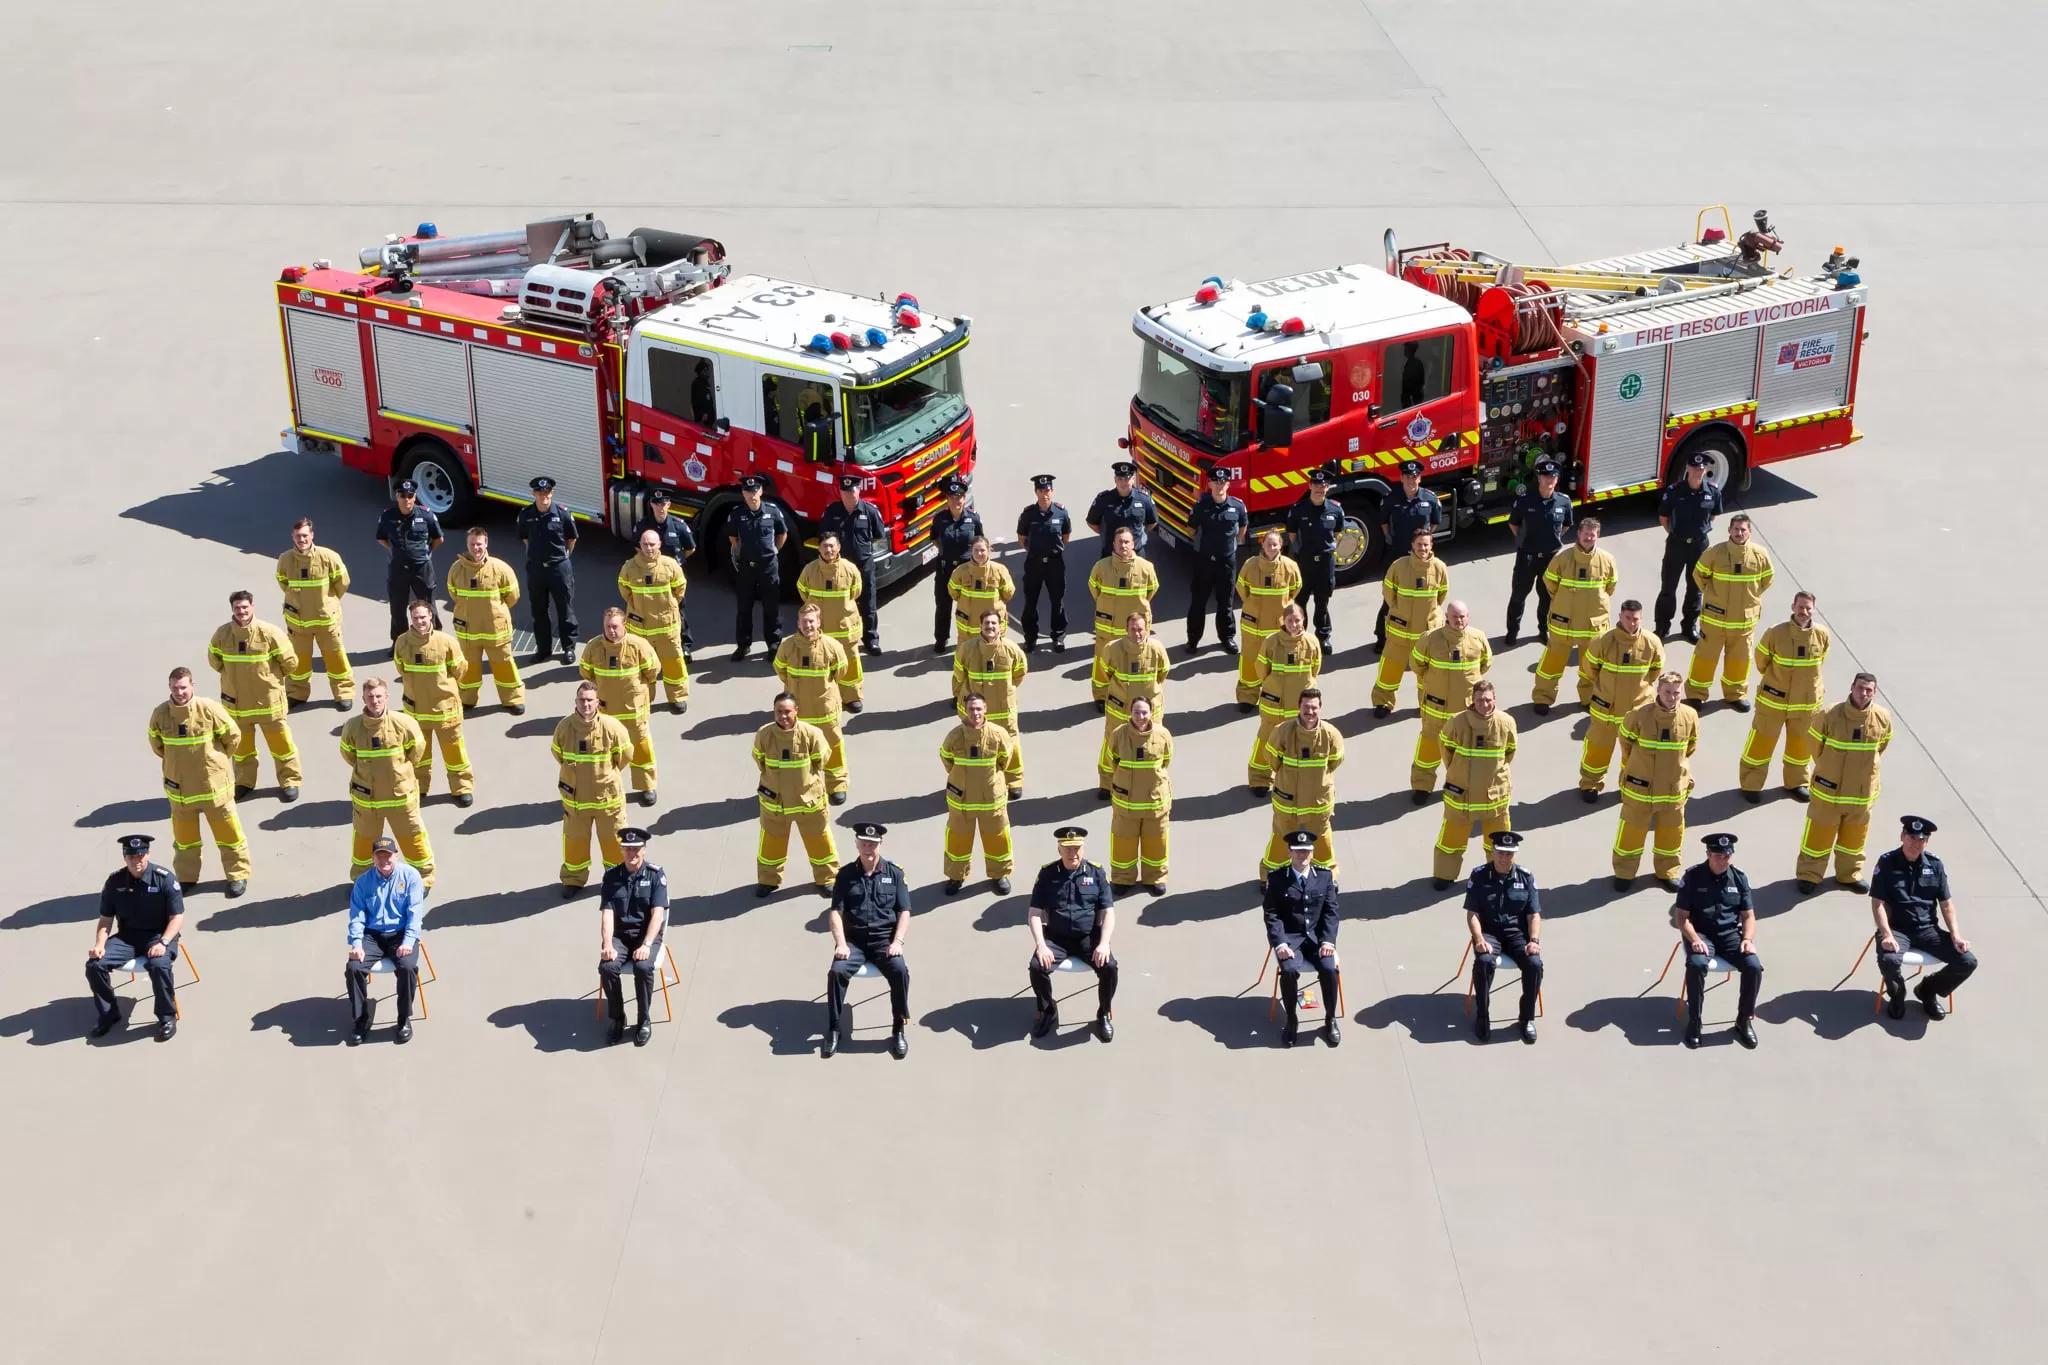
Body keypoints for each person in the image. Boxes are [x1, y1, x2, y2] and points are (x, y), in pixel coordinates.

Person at [148, 667, 249, 896]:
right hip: (181, 791)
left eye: (183, 687)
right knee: (185, 841)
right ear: (169, 688)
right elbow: (157, 745)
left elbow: (233, 737)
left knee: (229, 835)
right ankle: (186, 877)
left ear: (193, 685)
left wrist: (217, 762)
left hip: (214, 788)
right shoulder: (160, 714)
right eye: (175, 687)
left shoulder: (210, 709)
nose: (179, 692)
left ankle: (238, 875)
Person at [1870, 815, 1976, 1019]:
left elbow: (1946, 904)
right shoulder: (1887, 862)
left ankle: (1927, 990)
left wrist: (1956, 935)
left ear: (1926, 842)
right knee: (1890, 960)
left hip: (1928, 930)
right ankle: (1898, 995)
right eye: (1911, 837)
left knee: (1967, 961)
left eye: (1921, 840)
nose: (1915, 844)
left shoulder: (1935, 865)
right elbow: (1878, 903)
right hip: (1897, 929)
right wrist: (1886, 934)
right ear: (1902, 836)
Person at [1797, 671, 1892, 895]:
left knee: (1854, 840)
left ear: (1875, 692)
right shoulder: (1830, 714)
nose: (1864, 693)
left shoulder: (1882, 718)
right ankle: (1809, 875)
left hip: (1861, 796)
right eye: (1860, 687)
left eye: (1869, 690)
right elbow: (1813, 743)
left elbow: (1882, 746)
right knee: (1817, 837)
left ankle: (1849, 875)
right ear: (1852, 687)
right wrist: (1828, 768)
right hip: (1828, 793)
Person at [824, 822, 912, 1059]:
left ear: (880, 844)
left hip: (884, 942)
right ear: (856, 844)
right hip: (854, 942)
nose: (868, 848)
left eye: (872, 844)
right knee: (837, 972)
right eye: (863, 843)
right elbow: (835, 912)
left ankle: (899, 1028)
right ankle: (833, 1028)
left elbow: (904, 910)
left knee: (900, 972)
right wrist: (841, 944)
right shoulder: (845, 875)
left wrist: (898, 942)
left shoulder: (895, 873)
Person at [86, 834, 185, 1041]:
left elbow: (177, 917)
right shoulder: (115, 882)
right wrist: (99, 944)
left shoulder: (165, 879)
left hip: (159, 935)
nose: (136, 860)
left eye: (140, 855)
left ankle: (166, 1016)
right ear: (124, 857)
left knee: (159, 965)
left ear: (148, 853)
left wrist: (163, 942)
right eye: (131, 856)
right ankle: (109, 1013)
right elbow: (106, 918)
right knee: (94, 965)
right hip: (128, 937)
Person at [207, 589, 301, 802]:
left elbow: (290, 663)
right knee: (241, 750)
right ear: (232, 609)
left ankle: (290, 781)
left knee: (282, 747)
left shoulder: (270, 633)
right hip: (237, 706)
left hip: (269, 703)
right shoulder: (222, 635)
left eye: (245, 607)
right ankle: (244, 782)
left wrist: (270, 681)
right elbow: (215, 661)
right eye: (237, 608)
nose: (241, 611)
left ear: (252, 607)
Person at [339, 677, 433, 888]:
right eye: (370, 696)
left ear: (387, 697)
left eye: (379, 696)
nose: (375, 701)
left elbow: (416, 751)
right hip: (367, 801)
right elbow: (348, 754)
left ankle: (423, 880)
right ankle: (361, 881)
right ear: (363, 698)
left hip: (400, 797)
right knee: (363, 843)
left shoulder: (404, 723)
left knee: (413, 838)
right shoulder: (352, 727)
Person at [1027, 826, 1118, 1042]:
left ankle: (1104, 1012)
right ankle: (1047, 1011)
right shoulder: (1047, 874)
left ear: (1083, 848)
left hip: (1087, 937)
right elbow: (1034, 913)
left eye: (1077, 848)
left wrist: (1104, 943)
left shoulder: (1096, 873)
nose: (1072, 853)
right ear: (1059, 849)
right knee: (1036, 967)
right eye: (1067, 848)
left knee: (1110, 967)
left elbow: (1108, 912)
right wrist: (1041, 945)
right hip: (1056, 938)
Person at [1741, 590, 1830, 801]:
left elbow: (1821, 660)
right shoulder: (1775, 633)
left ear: (1814, 610)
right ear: (1793, 607)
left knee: (1800, 747)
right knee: (1761, 743)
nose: (1804, 611)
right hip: (1774, 701)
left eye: (1808, 608)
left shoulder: (1822, 634)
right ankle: (1751, 785)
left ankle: (1796, 782)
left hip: (1806, 705)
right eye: (1800, 607)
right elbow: (1761, 659)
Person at [1674, 831, 1761, 1049]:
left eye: (1728, 856)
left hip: (1730, 935)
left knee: (1753, 966)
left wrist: (1748, 939)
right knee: (1696, 964)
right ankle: (1695, 1021)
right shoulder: (1692, 877)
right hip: (1701, 934)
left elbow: (1748, 915)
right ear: (1708, 854)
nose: (1724, 860)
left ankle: (1743, 1021)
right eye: (1719, 856)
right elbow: (1681, 918)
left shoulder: (1739, 878)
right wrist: (1694, 938)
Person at [1612, 670, 1698, 889]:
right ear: (1658, 690)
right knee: (1631, 832)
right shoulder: (1638, 715)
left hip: (1673, 789)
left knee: (1671, 834)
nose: (1672, 697)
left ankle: (1667, 872)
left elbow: (1690, 746)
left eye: (1676, 692)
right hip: (1640, 787)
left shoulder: (1689, 716)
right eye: (1668, 691)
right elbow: (1626, 744)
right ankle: (1624, 872)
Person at [1576, 599, 1664, 799]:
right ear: (1620, 617)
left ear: (1641, 618)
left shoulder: (1652, 643)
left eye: (1635, 619)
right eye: (1627, 618)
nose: (1632, 623)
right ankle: (1590, 784)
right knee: (1597, 749)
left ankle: (1628, 786)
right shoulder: (1602, 641)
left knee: (1633, 755)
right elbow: (1590, 669)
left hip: (1636, 712)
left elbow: (1655, 670)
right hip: (1605, 710)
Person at [752, 691, 838, 897]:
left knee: (819, 841)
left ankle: (827, 877)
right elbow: (759, 760)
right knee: (771, 845)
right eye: (779, 712)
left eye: (787, 711)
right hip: (775, 804)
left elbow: (822, 760)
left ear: (796, 711)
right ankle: (768, 880)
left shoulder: (811, 734)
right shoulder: (764, 734)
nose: (783, 716)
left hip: (808, 803)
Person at [344, 835, 427, 1046]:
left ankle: (403, 1018)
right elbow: (357, 916)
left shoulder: (411, 877)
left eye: (388, 856)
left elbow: (414, 913)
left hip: (400, 934)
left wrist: (408, 942)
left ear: (396, 856)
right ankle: (361, 1018)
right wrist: (356, 944)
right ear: (372, 858)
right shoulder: (363, 883)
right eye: (379, 857)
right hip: (372, 935)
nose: (384, 862)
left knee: (407, 967)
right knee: (354, 967)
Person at [551, 681, 631, 897]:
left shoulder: (612, 728)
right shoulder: (564, 728)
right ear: (575, 701)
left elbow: (624, 757)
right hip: (576, 801)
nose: (585, 704)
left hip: (607, 801)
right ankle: (573, 880)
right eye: (581, 700)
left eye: (589, 700)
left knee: (613, 842)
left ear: (597, 702)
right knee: (574, 843)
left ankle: (617, 879)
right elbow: (558, 754)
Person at [1434, 680, 1517, 888]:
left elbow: (1510, 751)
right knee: (1451, 840)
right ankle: (1444, 875)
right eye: (1480, 700)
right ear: (1472, 700)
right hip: (1462, 796)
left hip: (1495, 796)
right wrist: (1457, 771)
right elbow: (1445, 748)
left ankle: (1499, 874)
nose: (1485, 704)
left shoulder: (1506, 722)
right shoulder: (1457, 722)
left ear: (1494, 700)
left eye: (1488, 700)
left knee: (1498, 842)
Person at [1263, 829, 1341, 1048]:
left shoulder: (1324, 876)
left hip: (1317, 940)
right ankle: (1291, 1020)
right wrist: (1280, 944)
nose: (1302, 855)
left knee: (1328, 969)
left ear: (1313, 852)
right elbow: (1272, 914)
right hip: (1291, 940)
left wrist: (1328, 941)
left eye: (1306, 851)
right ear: (1289, 852)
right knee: (1288, 971)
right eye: (1298, 851)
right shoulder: (1277, 878)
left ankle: (1330, 1019)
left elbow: (1331, 911)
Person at [1532, 517, 1619, 712]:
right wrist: (1563, 601)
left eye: (1592, 534)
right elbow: (1550, 583)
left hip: (1592, 625)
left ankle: (1588, 699)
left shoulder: (1607, 560)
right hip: (1564, 623)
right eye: (1585, 533)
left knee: (1590, 667)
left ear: (1598, 536)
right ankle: (1543, 698)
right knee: (1551, 665)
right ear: (1578, 534)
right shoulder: (1562, 558)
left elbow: (1610, 587)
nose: (1589, 537)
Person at [1686, 513, 1774, 707]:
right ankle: (1696, 694)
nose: (1739, 533)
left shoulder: (1760, 555)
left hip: (1743, 623)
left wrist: (1750, 599)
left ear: (1749, 531)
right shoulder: (1714, 553)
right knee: (1705, 658)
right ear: (1729, 530)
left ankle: (1735, 695)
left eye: (1743, 529)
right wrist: (1713, 596)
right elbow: (1699, 575)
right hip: (1714, 621)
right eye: (1736, 529)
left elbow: (1767, 579)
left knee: (1740, 661)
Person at [1462, 829, 1541, 1044]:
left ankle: (1526, 1019)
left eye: (1509, 854)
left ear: (1515, 855)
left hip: (1517, 935)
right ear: (1492, 852)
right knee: (1485, 962)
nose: (1504, 858)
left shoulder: (1525, 876)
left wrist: (1534, 941)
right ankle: (1482, 1016)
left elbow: (1534, 914)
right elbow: (1473, 914)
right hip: (1490, 933)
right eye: (1501, 852)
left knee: (1534, 964)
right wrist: (1479, 940)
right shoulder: (1478, 875)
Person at [393, 600, 473, 806]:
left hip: (445, 711)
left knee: (455, 753)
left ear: (431, 616)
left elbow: (460, 670)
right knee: (419, 755)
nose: (419, 621)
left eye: (423, 617)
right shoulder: (402, 642)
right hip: (416, 712)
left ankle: (462, 788)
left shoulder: (446, 642)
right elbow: (401, 668)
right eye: (415, 618)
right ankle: (420, 788)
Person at [580, 608, 663, 807]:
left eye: (615, 626)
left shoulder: (638, 646)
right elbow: (586, 673)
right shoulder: (593, 647)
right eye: (608, 626)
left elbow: (653, 670)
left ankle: (647, 786)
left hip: (634, 713)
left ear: (624, 625)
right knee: (604, 753)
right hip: (606, 715)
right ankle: (606, 788)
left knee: (641, 750)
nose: (611, 631)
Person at [774, 603, 856, 804]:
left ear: (819, 622)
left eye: (811, 621)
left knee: (833, 747)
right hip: (798, 713)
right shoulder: (787, 646)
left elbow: (840, 671)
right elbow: (780, 670)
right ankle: (798, 788)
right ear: (798, 623)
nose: (807, 625)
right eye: (804, 621)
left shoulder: (832, 646)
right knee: (797, 751)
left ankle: (836, 784)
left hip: (825, 710)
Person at [939, 692, 1020, 894]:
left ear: (985, 710)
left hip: (991, 801)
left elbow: (1005, 759)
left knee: (997, 838)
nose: (975, 713)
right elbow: (946, 759)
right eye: (971, 709)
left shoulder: (998, 734)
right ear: (965, 710)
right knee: (958, 840)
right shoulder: (954, 736)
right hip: (962, 801)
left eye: (979, 709)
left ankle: (999, 875)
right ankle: (956, 876)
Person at [1260, 688, 1345, 876]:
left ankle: (1328, 877)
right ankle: (1270, 876)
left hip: (1318, 803)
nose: (1310, 712)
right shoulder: (1282, 732)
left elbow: (1335, 760)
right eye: (1306, 707)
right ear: (1298, 707)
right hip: (1287, 801)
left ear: (1320, 708)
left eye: (1314, 708)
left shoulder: (1331, 735)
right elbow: (1271, 757)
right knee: (1281, 839)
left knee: (1322, 841)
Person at [1409, 599, 1490, 797]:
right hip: (1436, 709)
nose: (1459, 620)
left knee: (1464, 752)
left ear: (1468, 617)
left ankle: (1460, 787)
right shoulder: (1430, 639)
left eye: (1462, 616)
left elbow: (1485, 664)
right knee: (1428, 749)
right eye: (1454, 616)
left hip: (1465, 712)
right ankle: (1422, 786)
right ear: (1447, 617)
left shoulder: (1478, 638)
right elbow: (1416, 664)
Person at [598, 827, 669, 1047]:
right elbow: (607, 914)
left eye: (636, 849)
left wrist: (647, 944)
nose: (632, 853)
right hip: (620, 936)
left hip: (646, 936)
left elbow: (658, 914)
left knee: (643, 967)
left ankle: (644, 1020)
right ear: (622, 850)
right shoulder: (611, 877)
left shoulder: (656, 875)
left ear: (644, 850)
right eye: (628, 849)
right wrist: (608, 944)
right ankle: (617, 1018)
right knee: (607, 967)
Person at [445, 527, 525, 713]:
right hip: (468, 630)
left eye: (479, 544)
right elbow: (453, 593)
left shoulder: (500, 568)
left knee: (504, 665)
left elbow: (513, 596)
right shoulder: (456, 569)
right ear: (467, 544)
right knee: (468, 667)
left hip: (495, 630)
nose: (476, 548)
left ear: (486, 544)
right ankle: (467, 699)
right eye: (472, 544)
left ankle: (513, 699)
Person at [276, 517, 354, 707]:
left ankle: (343, 693)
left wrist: (329, 603)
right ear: (292, 536)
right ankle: (296, 693)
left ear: (312, 535)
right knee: (298, 661)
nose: (301, 540)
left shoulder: (329, 557)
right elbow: (283, 582)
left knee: (335, 658)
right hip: (298, 623)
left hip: (326, 621)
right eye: (297, 536)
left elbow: (342, 582)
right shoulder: (285, 560)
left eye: (304, 535)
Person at [1372, 528, 1449, 715]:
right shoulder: (1398, 566)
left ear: (1431, 546)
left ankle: (1425, 705)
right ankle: (1383, 702)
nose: (1422, 548)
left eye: (1426, 544)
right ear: (1412, 546)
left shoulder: (1439, 568)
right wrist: (1399, 612)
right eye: (1419, 544)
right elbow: (1388, 593)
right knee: (1390, 667)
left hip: (1426, 633)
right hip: (1400, 630)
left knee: (1427, 673)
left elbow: (1441, 595)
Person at [953, 608, 1029, 792]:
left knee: (1011, 744)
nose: (990, 626)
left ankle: (1014, 781)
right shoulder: (968, 649)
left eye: (994, 623)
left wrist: (1005, 691)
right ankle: (976, 782)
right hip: (976, 712)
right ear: (980, 626)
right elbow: (959, 673)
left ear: (1001, 626)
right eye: (986, 623)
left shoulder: (1011, 649)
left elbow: (1020, 671)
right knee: (975, 746)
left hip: (1004, 710)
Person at [1247, 603, 1320, 792]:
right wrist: (1273, 686)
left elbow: (1315, 669)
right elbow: (1261, 669)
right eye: (1290, 621)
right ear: (1283, 621)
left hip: (1299, 709)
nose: (1294, 624)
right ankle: (1259, 779)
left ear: (1303, 620)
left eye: (1297, 620)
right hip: (1274, 705)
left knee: (1297, 744)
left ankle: (1294, 781)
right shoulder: (1271, 642)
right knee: (1266, 740)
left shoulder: (1312, 642)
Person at [1373, 460, 1443, 654]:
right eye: (1407, 477)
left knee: (1420, 598)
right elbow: (1384, 523)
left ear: (1420, 478)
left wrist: (1422, 544)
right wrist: (1392, 539)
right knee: (1391, 598)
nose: (1411, 480)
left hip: (1421, 558)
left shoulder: (1430, 499)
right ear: (1402, 478)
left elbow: (1434, 523)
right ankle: (1381, 636)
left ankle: (1416, 636)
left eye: (1415, 477)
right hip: (1397, 555)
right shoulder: (1390, 498)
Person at [1106, 695, 1173, 894]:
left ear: (1151, 712)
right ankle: (1122, 879)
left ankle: (1155, 878)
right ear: (1130, 712)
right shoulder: (1119, 735)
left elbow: (1167, 759)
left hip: (1155, 802)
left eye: (1144, 712)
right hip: (1127, 802)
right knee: (1123, 842)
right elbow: (1112, 760)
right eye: (1136, 712)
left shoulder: (1162, 734)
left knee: (1156, 841)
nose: (1140, 716)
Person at [618, 527, 689, 714]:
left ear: (659, 545)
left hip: (667, 627)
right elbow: (625, 591)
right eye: (645, 544)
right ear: (639, 546)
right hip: (640, 629)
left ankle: (677, 697)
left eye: (652, 544)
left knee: (673, 662)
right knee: (642, 666)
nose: (649, 548)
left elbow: (679, 590)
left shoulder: (670, 565)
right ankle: (645, 698)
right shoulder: (629, 568)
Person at [1098, 612, 1170, 797]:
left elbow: (1162, 672)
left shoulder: (1157, 649)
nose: (1137, 633)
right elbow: (1107, 672)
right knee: (1112, 742)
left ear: (1147, 630)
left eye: (1140, 629)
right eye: (1133, 629)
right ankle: (1107, 784)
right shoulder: (1112, 649)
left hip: (1149, 711)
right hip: (1120, 709)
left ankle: (1147, 785)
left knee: (1150, 746)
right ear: (1126, 630)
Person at [1086, 527, 1159, 705]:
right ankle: (1102, 697)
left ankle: (1135, 697)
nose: (1123, 545)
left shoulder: (1146, 567)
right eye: (1120, 542)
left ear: (1133, 544)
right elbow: (1094, 588)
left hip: (1135, 630)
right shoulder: (1101, 567)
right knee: (1102, 662)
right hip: (1108, 627)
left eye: (1127, 542)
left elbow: (1151, 590)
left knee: (1136, 663)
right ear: (1114, 544)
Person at [1655, 451, 1723, 641]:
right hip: (1677, 544)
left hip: (1699, 547)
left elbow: (1714, 514)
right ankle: (1662, 627)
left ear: (1705, 470)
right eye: (1693, 468)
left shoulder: (1713, 492)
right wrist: (1675, 535)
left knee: (1695, 589)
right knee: (1668, 587)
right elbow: (1664, 517)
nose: (1697, 472)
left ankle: (1689, 626)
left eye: (1701, 469)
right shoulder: (1675, 491)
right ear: (1687, 468)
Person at [798, 532, 869, 710]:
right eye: (824, 546)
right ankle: (822, 698)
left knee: (850, 662)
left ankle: (852, 696)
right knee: (819, 663)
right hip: (820, 630)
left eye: (832, 546)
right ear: (819, 548)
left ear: (838, 548)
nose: (828, 550)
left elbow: (856, 591)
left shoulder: (850, 569)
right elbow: (803, 591)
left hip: (845, 628)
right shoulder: (809, 570)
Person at [1504, 460, 1571, 646]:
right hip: (1527, 557)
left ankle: (1543, 630)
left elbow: (1565, 526)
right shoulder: (1525, 501)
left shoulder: (1564, 502)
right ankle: (1512, 632)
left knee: (1547, 597)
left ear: (1556, 480)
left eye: (1553, 477)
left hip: (1551, 559)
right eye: (1546, 476)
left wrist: (1551, 540)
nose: (1549, 480)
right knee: (1518, 595)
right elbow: (1513, 524)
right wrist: (1525, 542)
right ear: (1539, 478)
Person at [818, 475, 886, 655]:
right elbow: (825, 538)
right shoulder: (832, 512)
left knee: (868, 604)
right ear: (840, 493)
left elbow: (878, 534)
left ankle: (871, 639)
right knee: (841, 605)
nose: (850, 495)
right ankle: (843, 639)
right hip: (840, 568)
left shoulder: (870, 511)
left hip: (864, 566)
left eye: (853, 491)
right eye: (846, 492)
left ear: (859, 491)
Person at [1234, 530, 1302, 709]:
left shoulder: (1290, 566)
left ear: (1281, 546)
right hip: (1253, 627)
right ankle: (1247, 697)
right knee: (1249, 662)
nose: (1271, 548)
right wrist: (1253, 607)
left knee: (1278, 664)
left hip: (1277, 627)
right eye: (1268, 544)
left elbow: (1295, 588)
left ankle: (1276, 698)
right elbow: (1242, 588)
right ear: (1262, 545)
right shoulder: (1250, 565)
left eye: (1275, 544)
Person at [516, 475, 579, 665]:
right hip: (536, 569)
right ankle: (543, 650)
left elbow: (571, 539)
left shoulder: (562, 514)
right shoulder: (525, 515)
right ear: (534, 493)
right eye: (540, 492)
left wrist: (562, 557)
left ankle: (568, 648)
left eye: (547, 492)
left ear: (552, 493)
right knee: (539, 611)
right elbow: (525, 538)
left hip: (559, 568)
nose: (544, 496)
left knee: (565, 609)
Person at [1185, 465, 1248, 653]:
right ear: (1209, 484)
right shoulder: (1200, 506)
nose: (1219, 485)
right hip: (1203, 561)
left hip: (1226, 562)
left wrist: (1230, 545)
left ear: (1228, 484)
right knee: (1198, 602)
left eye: (1223, 482)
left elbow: (1242, 529)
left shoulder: (1237, 506)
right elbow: (1191, 530)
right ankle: (1193, 640)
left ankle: (1227, 638)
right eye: (1216, 482)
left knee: (1225, 603)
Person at [727, 475, 790, 660]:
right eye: (748, 491)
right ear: (743, 493)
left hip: (768, 567)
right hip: (747, 567)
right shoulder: (737, 514)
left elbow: (782, 533)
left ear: (761, 491)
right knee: (744, 608)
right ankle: (743, 645)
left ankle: (773, 645)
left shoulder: (773, 511)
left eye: (755, 491)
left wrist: (773, 551)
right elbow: (733, 538)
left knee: (771, 608)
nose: (752, 495)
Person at [375, 478, 444, 641]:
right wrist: (396, 552)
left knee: (428, 606)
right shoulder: (387, 517)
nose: (407, 499)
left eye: (410, 495)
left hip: (422, 568)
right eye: (403, 495)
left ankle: (433, 640)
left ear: (414, 497)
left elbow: (438, 538)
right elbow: (381, 538)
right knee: (397, 609)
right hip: (398, 569)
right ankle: (399, 643)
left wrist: (424, 553)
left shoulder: (426, 515)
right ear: (397, 497)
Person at [633, 487, 697, 657]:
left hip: (672, 579)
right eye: (656, 504)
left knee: (677, 611)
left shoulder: (678, 525)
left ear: (668, 504)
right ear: (651, 505)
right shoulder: (643, 526)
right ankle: (652, 648)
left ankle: (684, 646)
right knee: (651, 612)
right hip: (650, 577)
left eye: (663, 504)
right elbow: (637, 548)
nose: (660, 508)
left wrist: (676, 564)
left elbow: (690, 548)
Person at [1284, 469, 1343, 650]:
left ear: (1327, 488)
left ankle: (1323, 637)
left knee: (1322, 601)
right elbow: (1292, 534)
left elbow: (1338, 533)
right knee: (1300, 601)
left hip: (1325, 563)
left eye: (1323, 485)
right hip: (1305, 562)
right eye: (1316, 485)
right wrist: (1300, 551)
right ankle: (1300, 635)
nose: (1319, 489)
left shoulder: (1335, 509)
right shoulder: (1298, 509)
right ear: (1310, 486)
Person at [1015, 473, 1073, 651]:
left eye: (1047, 490)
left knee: (1057, 601)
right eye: (1041, 490)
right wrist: (1035, 551)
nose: (1044, 494)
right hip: (1034, 563)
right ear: (1036, 492)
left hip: (1055, 563)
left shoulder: (1061, 512)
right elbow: (1021, 538)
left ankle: (1058, 636)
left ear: (1052, 491)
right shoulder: (1028, 514)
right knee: (1030, 601)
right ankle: (1030, 638)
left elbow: (1066, 536)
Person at [929, 477, 983, 652]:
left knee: (969, 607)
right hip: (946, 570)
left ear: (964, 498)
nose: (956, 501)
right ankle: (941, 639)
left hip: (967, 570)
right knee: (943, 606)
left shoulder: (973, 519)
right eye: (952, 497)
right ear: (947, 499)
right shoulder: (940, 519)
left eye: (959, 497)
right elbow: (935, 539)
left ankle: (971, 639)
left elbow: (979, 541)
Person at [947, 535, 1016, 643]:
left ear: (989, 550)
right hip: (968, 629)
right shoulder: (960, 571)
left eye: (982, 550)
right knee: (967, 657)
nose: (979, 553)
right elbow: (953, 592)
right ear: (971, 551)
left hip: (992, 629)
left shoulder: (1000, 570)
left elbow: (1008, 593)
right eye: (976, 550)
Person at [1086, 460, 1158, 559]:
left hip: (1136, 554)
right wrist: (1107, 535)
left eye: (1127, 479)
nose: (1123, 483)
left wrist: (1138, 535)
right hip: (1111, 555)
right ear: (1115, 479)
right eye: (1120, 479)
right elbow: (1091, 522)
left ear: (1133, 479)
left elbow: (1152, 522)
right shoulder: (1103, 499)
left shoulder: (1144, 499)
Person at [689, 357, 717, 426]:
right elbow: (697, 401)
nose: (707, 372)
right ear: (700, 372)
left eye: (707, 370)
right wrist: (703, 414)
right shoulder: (698, 383)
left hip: (709, 417)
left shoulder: (705, 383)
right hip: (703, 419)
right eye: (705, 370)